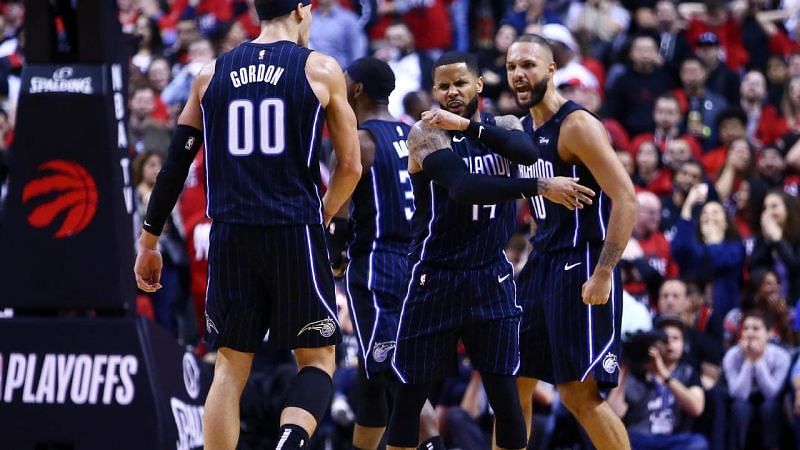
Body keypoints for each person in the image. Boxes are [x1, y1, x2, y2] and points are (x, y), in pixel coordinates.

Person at [132, 1, 363, 449]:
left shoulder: (210, 72)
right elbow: (350, 165)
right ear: (302, 10)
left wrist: (148, 241)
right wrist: (325, 213)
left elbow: (174, 167)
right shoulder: (320, 68)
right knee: (317, 359)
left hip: (231, 233)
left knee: (229, 366)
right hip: (294, 227)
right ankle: (288, 443)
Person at [384, 51, 594, 450]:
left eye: (460, 83)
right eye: (443, 86)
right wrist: (540, 188)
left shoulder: (505, 125)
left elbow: (529, 152)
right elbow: (464, 187)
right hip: (436, 276)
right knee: (411, 396)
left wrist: (468, 127)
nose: (451, 92)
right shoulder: (424, 134)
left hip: (490, 276)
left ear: (479, 84)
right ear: (433, 90)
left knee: (506, 394)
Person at [506, 34, 638, 450]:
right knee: (512, 385)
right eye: (511, 67)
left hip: (581, 263)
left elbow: (627, 199)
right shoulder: (523, 129)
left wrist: (604, 273)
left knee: (579, 395)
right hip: (541, 261)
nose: (517, 75)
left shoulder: (577, 125)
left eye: (527, 65)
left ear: (551, 69)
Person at [327, 56, 443, 450]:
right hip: (417, 264)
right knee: (371, 373)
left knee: (395, 374)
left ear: (356, 89)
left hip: (378, 265)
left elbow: (338, 217)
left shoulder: (358, 141)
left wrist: (335, 257)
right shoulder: (414, 134)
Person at [607, 315, 708, 450]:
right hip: (640, 438)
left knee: (698, 443)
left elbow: (696, 408)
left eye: (675, 338)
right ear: (654, 343)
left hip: (672, 440)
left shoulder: (688, 373)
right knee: (616, 440)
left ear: (685, 344)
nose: (670, 343)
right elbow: (614, 414)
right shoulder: (638, 371)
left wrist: (664, 375)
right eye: (665, 339)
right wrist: (625, 368)